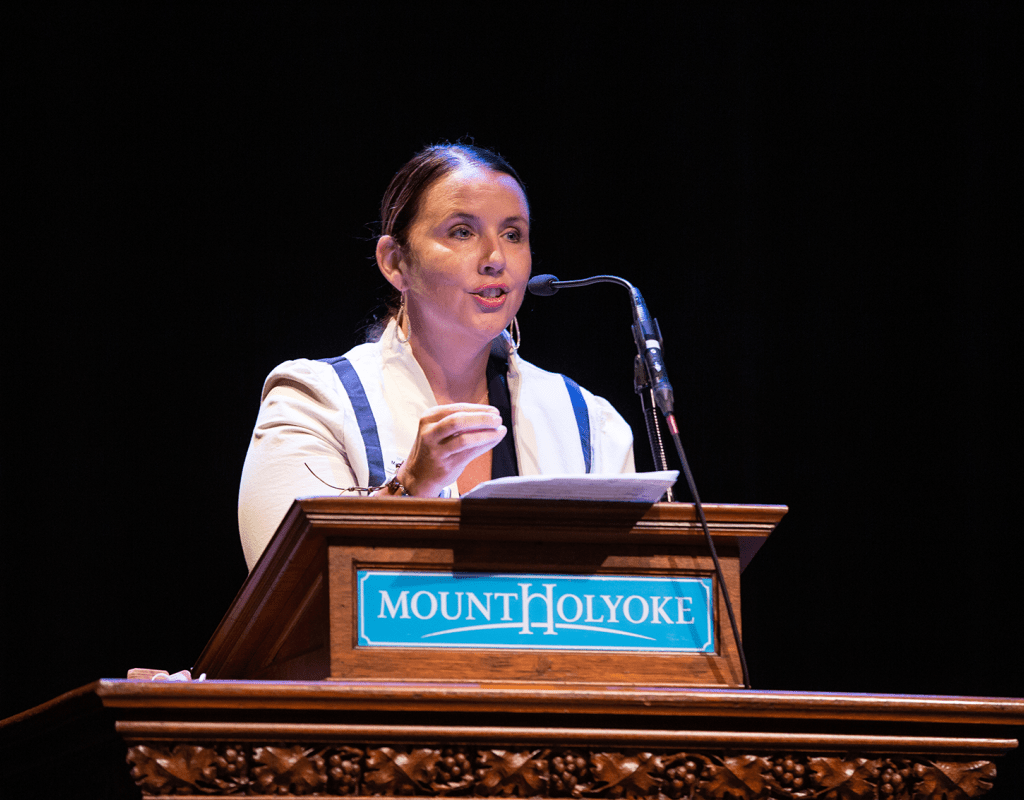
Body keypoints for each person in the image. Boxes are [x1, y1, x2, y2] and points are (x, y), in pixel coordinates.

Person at [238, 144, 635, 569]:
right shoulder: (314, 402)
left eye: (513, 234)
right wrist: (409, 487)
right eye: (462, 232)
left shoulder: (589, 422)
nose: (496, 259)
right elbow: (291, 584)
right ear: (395, 262)